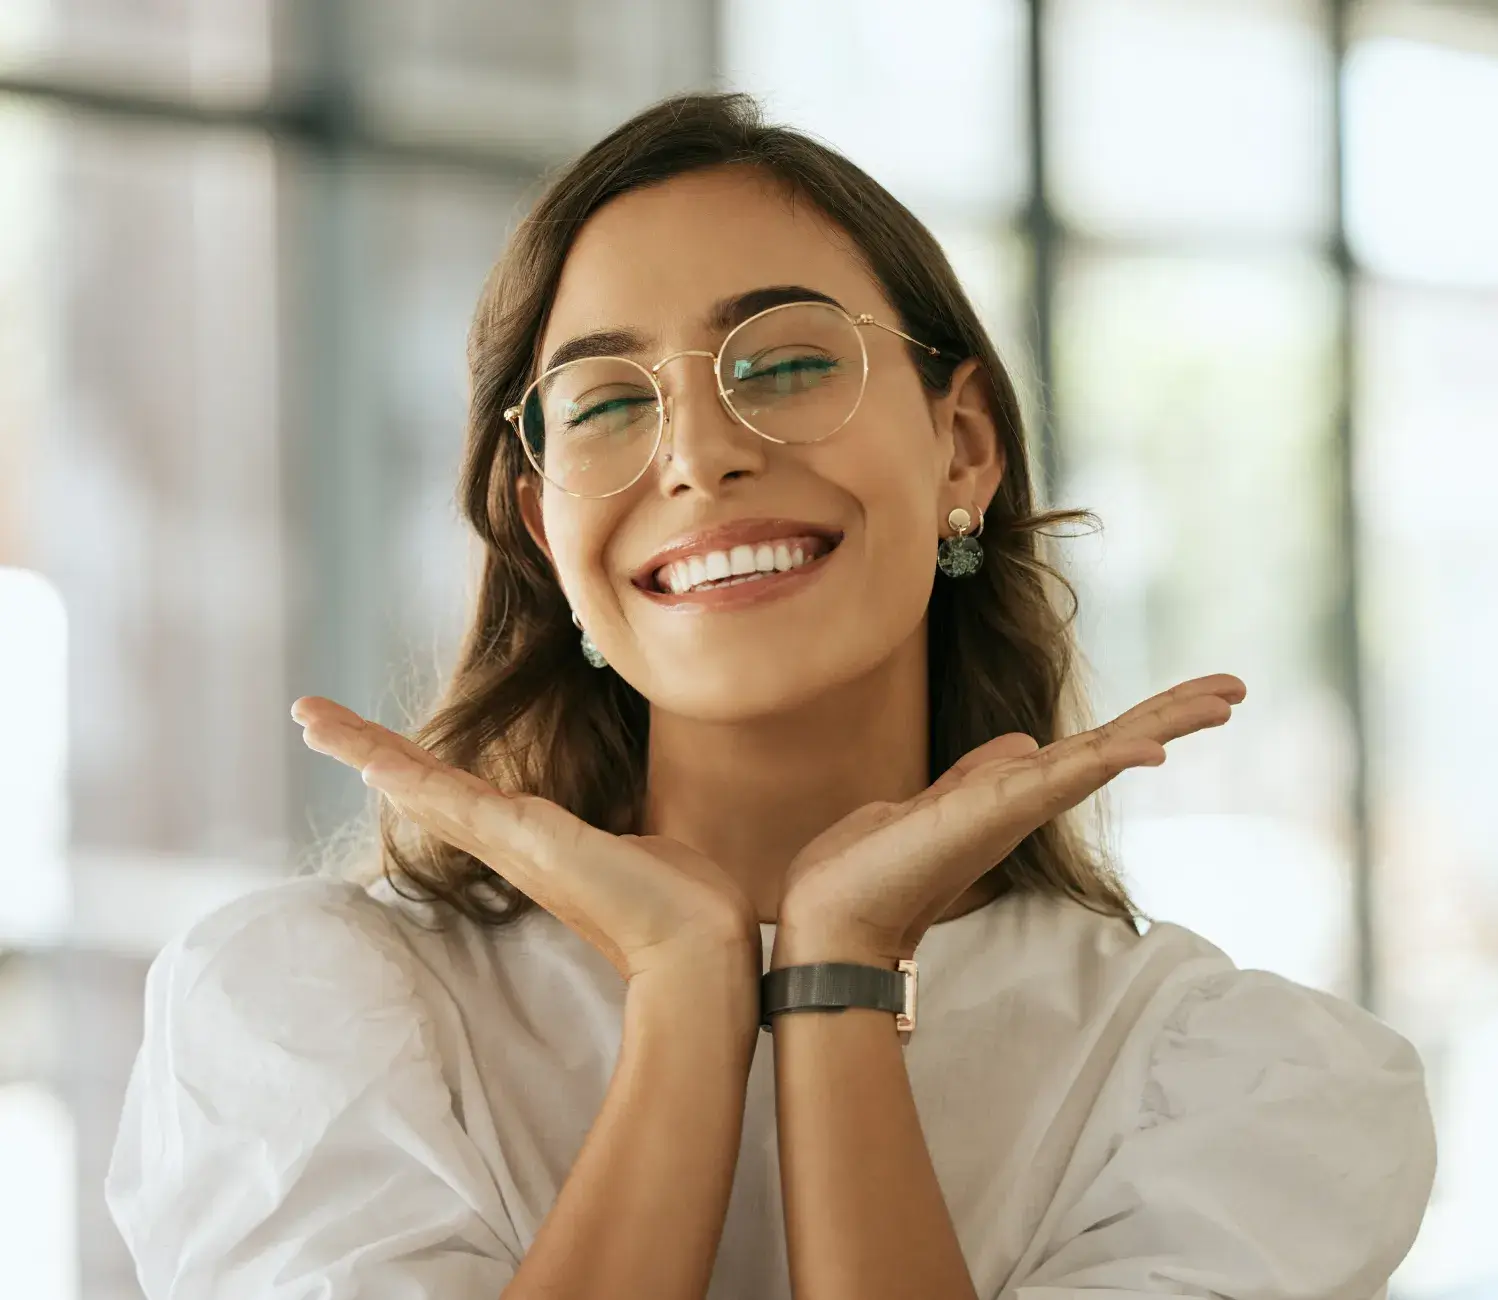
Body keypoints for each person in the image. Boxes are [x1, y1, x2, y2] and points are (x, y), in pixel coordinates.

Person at [104, 91, 1436, 1300]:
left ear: (961, 447)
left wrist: (838, 974)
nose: (697, 453)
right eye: (605, 404)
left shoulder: (1235, 1085)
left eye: (787, 365)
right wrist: (685, 989)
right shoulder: (305, 1018)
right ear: (544, 529)